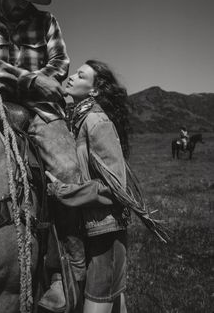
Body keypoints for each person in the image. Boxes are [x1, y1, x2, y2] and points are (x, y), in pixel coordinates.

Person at [0, 0, 85, 312]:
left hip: (39, 109)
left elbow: (59, 64)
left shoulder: (46, 22)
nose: (23, 2)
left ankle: (64, 270)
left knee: (68, 171)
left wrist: (27, 81)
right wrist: (29, 76)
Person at [46, 60, 167, 313]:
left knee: (97, 305)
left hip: (106, 229)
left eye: (80, 75)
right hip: (92, 226)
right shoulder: (78, 120)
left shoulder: (96, 121)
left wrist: (62, 191)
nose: (71, 77)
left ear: (94, 91)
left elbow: (115, 188)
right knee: (114, 303)